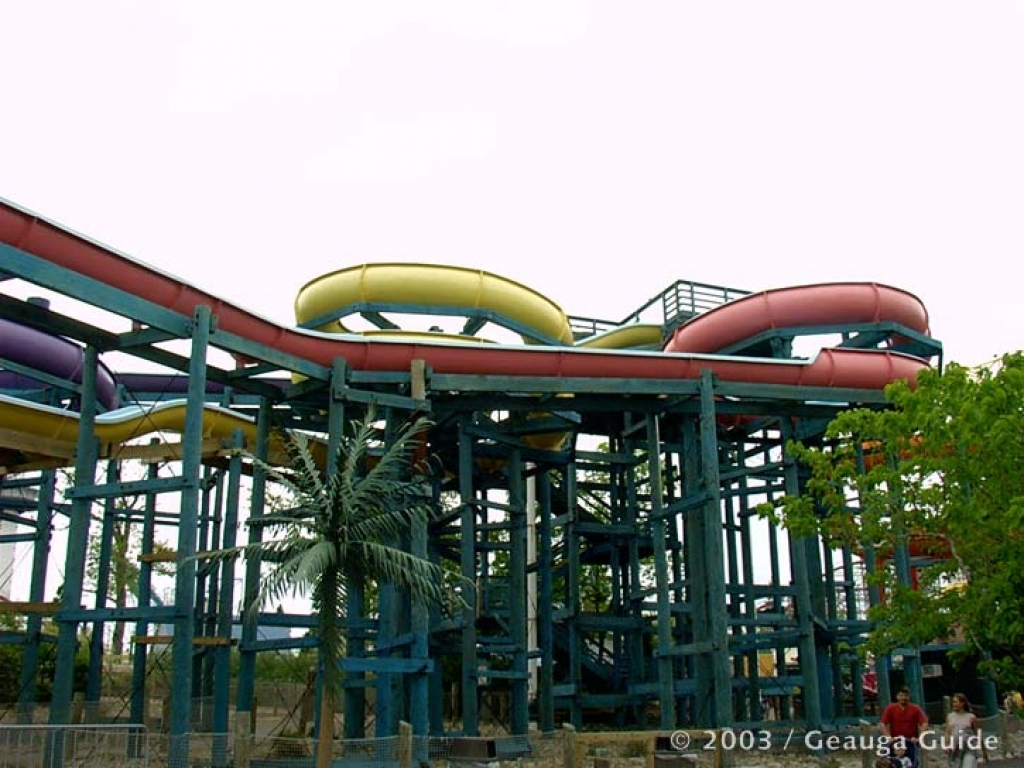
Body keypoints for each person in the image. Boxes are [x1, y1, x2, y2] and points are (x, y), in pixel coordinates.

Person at [880, 686, 928, 768]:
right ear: (897, 696)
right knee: (893, 763)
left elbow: (924, 722)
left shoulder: (915, 708)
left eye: (905, 695)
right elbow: (882, 723)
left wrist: (919, 737)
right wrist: (888, 737)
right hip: (896, 741)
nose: (903, 698)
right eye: (901, 695)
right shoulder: (891, 708)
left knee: (912, 763)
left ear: (908, 697)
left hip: (910, 741)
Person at [945, 692, 980, 768]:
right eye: (953, 702)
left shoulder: (971, 717)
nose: (953, 704)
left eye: (955, 702)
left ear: (962, 703)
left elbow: (977, 732)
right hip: (955, 748)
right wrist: (946, 745)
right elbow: (947, 732)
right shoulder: (950, 716)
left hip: (969, 748)